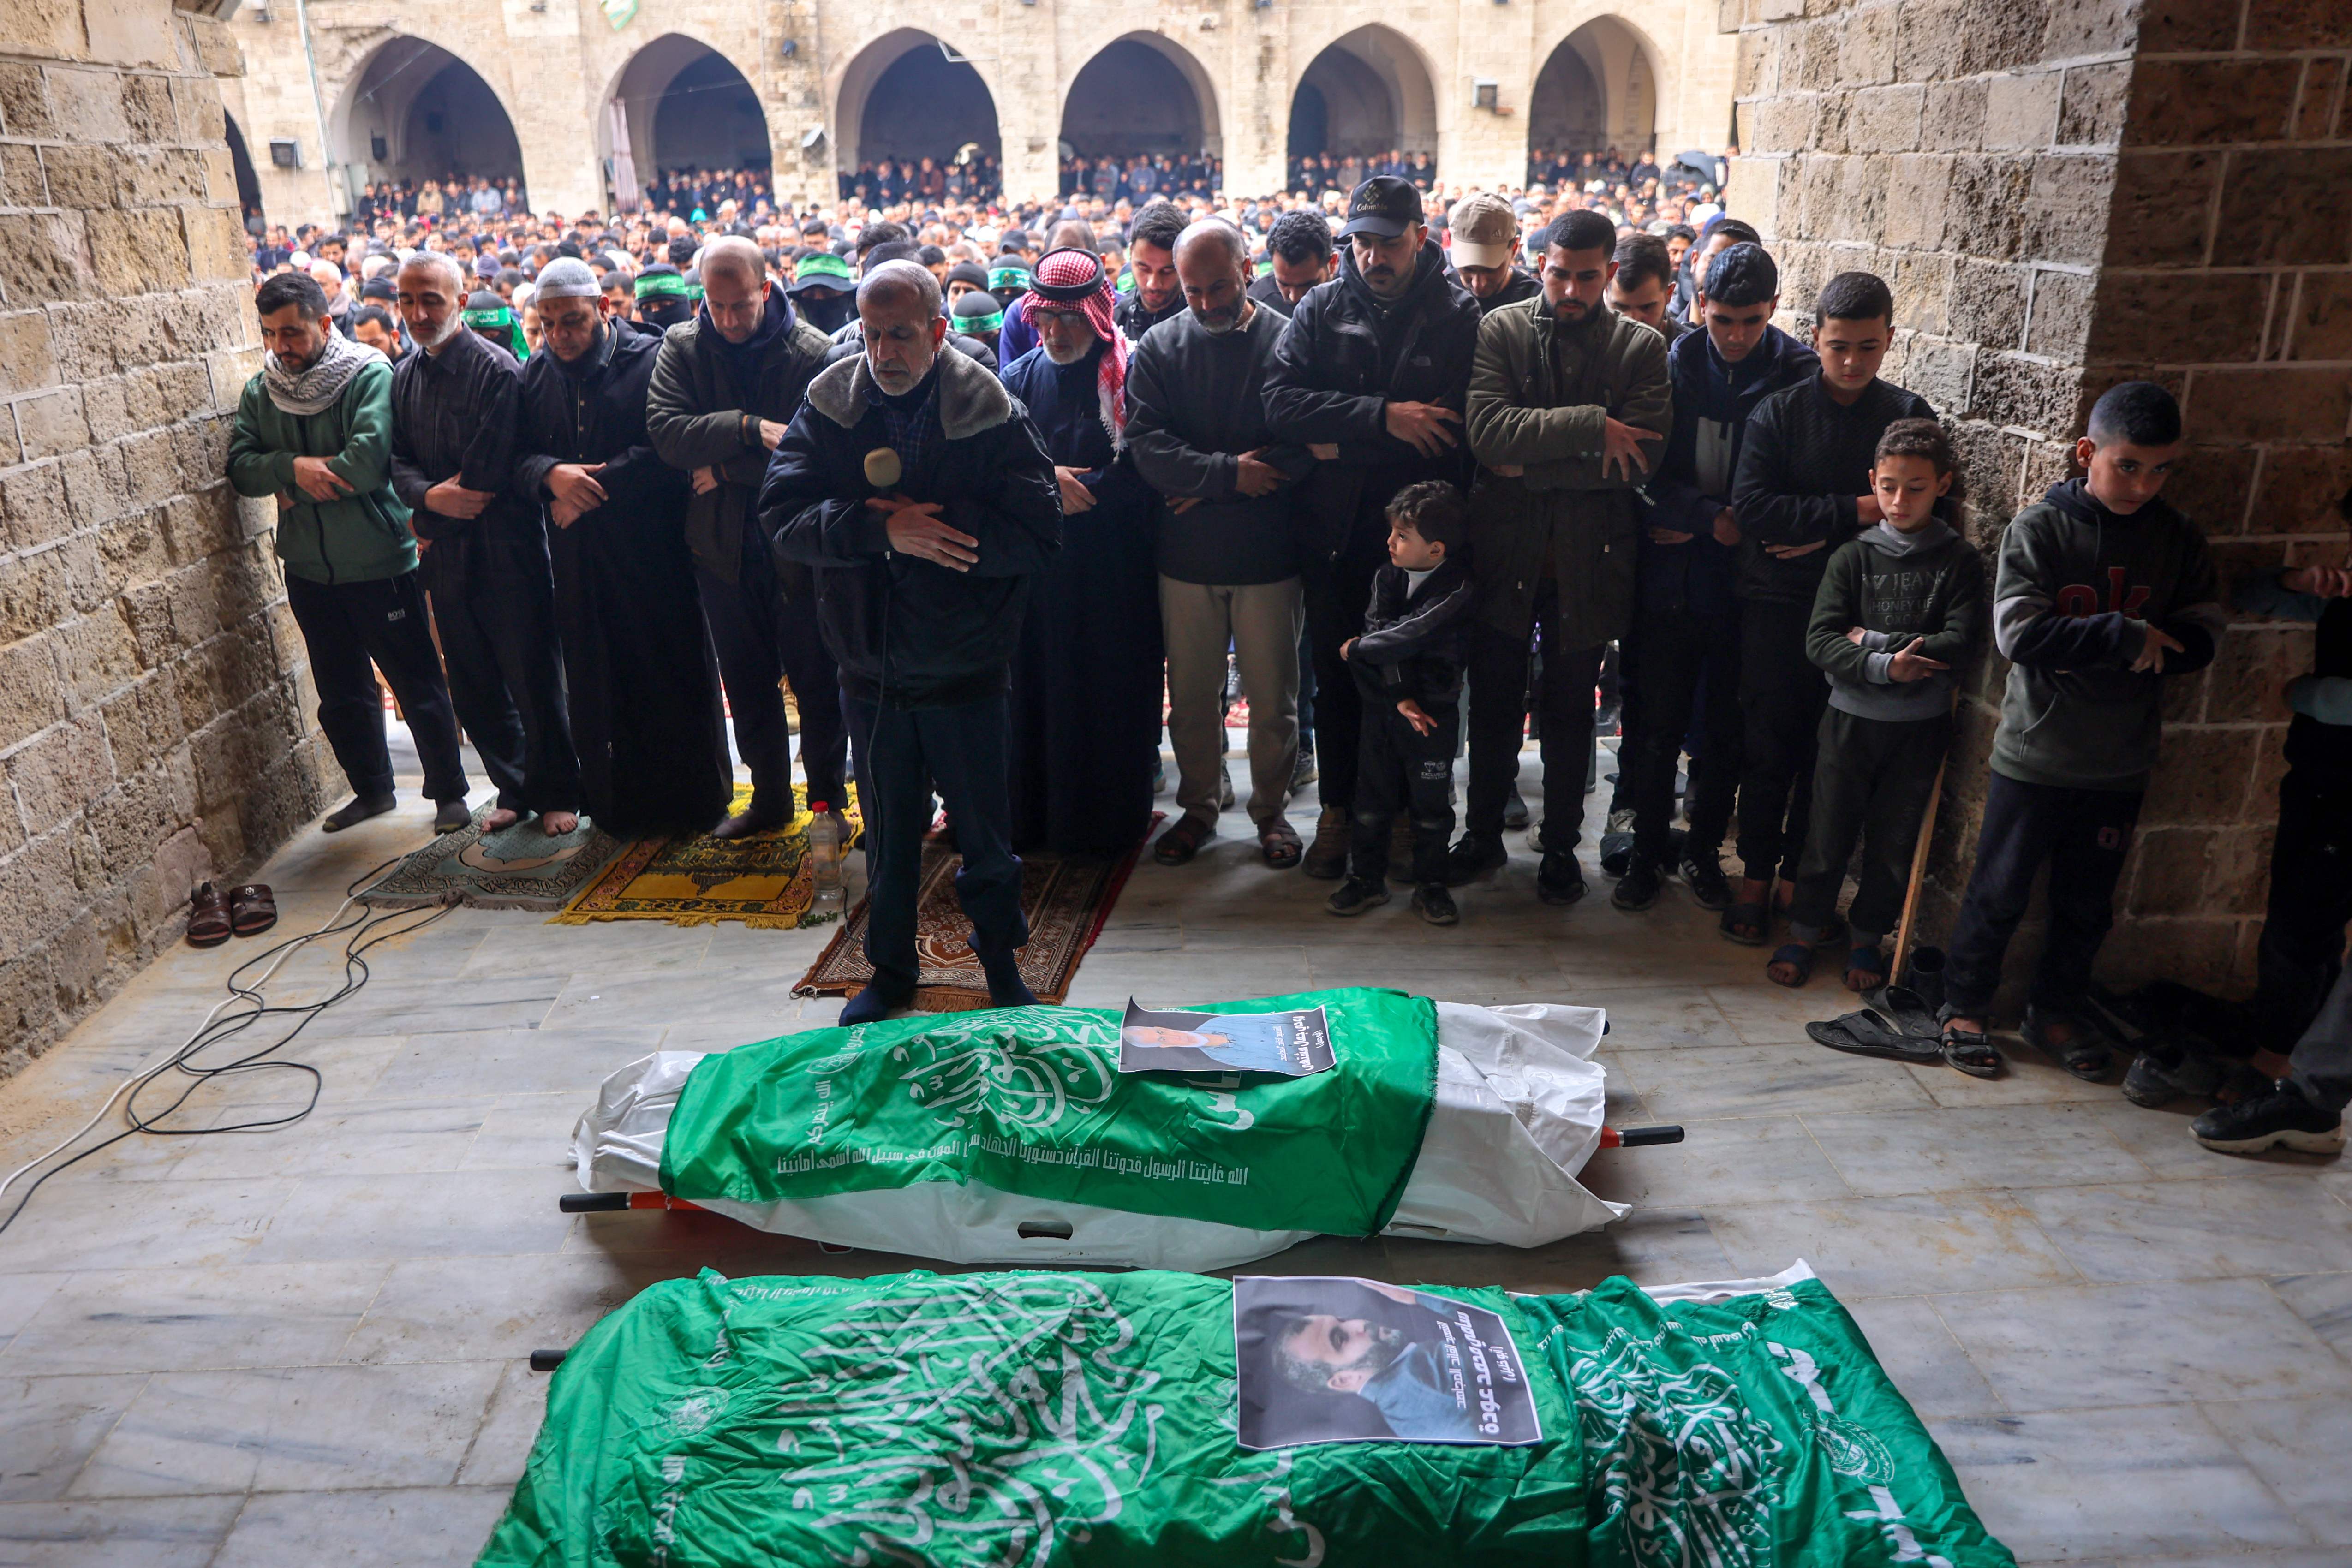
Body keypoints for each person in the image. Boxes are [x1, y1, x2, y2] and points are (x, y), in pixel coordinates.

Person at [759, 261, 1062, 1023]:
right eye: (869, 333)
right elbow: (782, 514)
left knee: (984, 837)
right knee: (889, 836)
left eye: (900, 334)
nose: (884, 351)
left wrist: (945, 533)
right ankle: (889, 972)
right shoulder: (830, 404)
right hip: (871, 664)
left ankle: (1000, 964)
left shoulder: (991, 407)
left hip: (967, 662)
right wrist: (879, 529)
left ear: (938, 329)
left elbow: (1038, 528)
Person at [1937, 382, 2224, 1079]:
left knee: (2086, 904)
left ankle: (2054, 1009)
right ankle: (1963, 1006)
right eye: (2128, 465)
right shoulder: (2041, 529)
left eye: (2160, 469)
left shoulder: (2176, 536)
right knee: (1998, 889)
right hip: (2037, 751)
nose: (2143, 483)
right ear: (2087, 451)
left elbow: (2204, 634)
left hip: (2120, 759)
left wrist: (2153, 642)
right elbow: (2017, 633)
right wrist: (2122, 634)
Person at [1265, 176, 1483, 878]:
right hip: (1339, 531)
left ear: (1421, 237)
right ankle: (1339, 810)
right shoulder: (1322, 308)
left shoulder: (1458, 316)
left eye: (1387, 242)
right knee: (1338, 676)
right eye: (1360, 242)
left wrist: (1339, 437)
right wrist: (1383, 417)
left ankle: (1400, 818)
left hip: (1426, 546)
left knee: (1422, 679)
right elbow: (1280, 405)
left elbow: (1447, 432)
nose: (1372, 256)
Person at [1453, 210, 1671, 906]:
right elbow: (1488, 436)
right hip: (1505, 550)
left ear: (1608, 273)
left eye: (1585, 276)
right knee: (1491, 705)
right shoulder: (1503, 328)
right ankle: (1481, 833)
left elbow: (1639, 459)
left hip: (1588, 557)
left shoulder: (1640, 347)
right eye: (1557, 273)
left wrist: (1532, 460)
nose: (1569, 289)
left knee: (1572, 711)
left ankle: (1559, 848)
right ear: (1538, 263)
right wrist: (1589, 428)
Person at [1725, 270, 1934, 942]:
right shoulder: (1777, 412)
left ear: (1889, 342)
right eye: (1838, 345)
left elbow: (1911, 519)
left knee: (1830, 763)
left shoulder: (1906, 415)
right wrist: (1852, 509)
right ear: (1813, 337)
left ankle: (1801, 885)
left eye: (1867, 348)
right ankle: (1754, 876)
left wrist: (1816, 530)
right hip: (1776, 604)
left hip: (1861, 613)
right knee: (1768, 751)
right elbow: (1754, 508)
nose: (1851, 362)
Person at [226, 272, 473, 835]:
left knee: (415, 683)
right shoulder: (261, 391)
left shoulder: (367, 374)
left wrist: (294, 479)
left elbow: (366, 463)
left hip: (379, 561)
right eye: (269, 334)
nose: (280, 347)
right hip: (310, 569)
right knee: (340, 691)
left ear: (324, 323)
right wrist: (293, 469)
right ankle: (372, 789)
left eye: (291, 332)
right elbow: (240, 468)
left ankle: (449, 793)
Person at [1612, 243, 1816, 915]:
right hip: (1672, 579)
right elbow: (1642, 473)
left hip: (1749, 588)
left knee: (1726, 731)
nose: (1734, 336)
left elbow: (1796, 485)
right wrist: (1706, 517)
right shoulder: (1671, 361)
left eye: (1750, 322)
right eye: (1723, 319)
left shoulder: (1795, 373)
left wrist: (1725, 521)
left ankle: (1701, 850)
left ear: (1773, 311)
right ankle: (1645, 849)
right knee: (1655, 725)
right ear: (1699, 306)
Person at [513, 258, 730, 837]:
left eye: (574, 321)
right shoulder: (537, 374)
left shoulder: (652, 360)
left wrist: (589, 487)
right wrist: (551, 475)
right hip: (580, 559)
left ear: (605, 310)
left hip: (652, 552)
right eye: (549, 323)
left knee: (668, 673)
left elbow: (667, 447)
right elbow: (517, 454)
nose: (561, 335)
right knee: (596, 681)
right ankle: (615, 807)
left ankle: (695, 804)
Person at [645, 237, 848, 839]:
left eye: (740, 306)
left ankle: (827, 803)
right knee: (747, 679)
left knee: (815, 683)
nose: (728, 320)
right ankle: (767, 797)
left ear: (766, 289)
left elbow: (816, 456)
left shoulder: (810, 352)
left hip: (796, 550)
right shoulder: (683, 344)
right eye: (716, 305)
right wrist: (750, 428)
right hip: (721, 548)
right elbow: (667, 435)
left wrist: (726, 467)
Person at [1126, 221, 1313, 869]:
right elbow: (1150, 451)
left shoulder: (1288, 341)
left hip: (1268, 555)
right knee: (1194, 700)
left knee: (1273, 701)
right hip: (1187, 557)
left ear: (1247, 267)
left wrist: (1201, 480)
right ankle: (1199, 806)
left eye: (1218, 288)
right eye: (1192, 290)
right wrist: (1231, 475)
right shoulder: (1159, 347)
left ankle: (1271, 811)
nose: (1205, 303)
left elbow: (1299, 449)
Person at [1770, 419, 1982, 990]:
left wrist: (1870, 639)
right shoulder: (1853, 558)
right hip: (1849, 720)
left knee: (1893, 840)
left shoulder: (1957, 560)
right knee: (1826, 832)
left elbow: (1959, 641)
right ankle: (1806, 928)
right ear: (1872, 481)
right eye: (1887, 486)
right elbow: (1821, 640)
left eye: (1915, 487)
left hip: (1919, 727)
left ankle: (1868, 940)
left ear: (1942, 484)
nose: (1898, 500)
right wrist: (1885, 665)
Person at [388, 253, 582, 836]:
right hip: (449, 562)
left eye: (432, 301)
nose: (420, 314)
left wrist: (424, 520)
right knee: (472, 683)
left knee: (532, 680)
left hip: (508, 553)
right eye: (408, 302)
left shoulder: (498, 371)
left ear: (461, 302)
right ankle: (513, 787)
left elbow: (484, 476)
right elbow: (395, 463)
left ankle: (557, 792)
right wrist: (425, 500)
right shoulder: (404, 375)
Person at [996, 248, 1164, 858]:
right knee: (1037, 696)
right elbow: (996, 472)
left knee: (1108, 699)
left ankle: (1104, 829)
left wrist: (1082, 489)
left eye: (1070, 320)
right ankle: (1034, 820)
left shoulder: (1133, 375)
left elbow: (1147, 467)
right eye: (1047, 319)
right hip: (1039, 580)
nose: (1056, 333)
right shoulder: (1014, 381)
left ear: (1096, 315)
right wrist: (1049, 487)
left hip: (1113, 576)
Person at [2192, 554, 2352, 1151]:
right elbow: (2253, 594)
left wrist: (2303, 692)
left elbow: (2333, 698)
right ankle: (2288, 1054)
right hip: (2316, 773)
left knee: (2301, 924)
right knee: (2300, 921)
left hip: (2342, 786)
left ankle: (2277, 1065)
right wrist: (2294, 581)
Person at [1328, 481, 1475, 925]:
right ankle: (1366, 879)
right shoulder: (1385, 576)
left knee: (1431, 807)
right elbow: (1385, 635)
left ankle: (1432, 884)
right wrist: (1400, 696)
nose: (1389, 542)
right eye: (1392, 532)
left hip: (1435, 714)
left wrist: (1358, 648)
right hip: (1389, 708)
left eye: (1402, 536)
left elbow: (1411, 632)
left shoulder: (1459, 586)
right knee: (1371, 800)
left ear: (1435, 550)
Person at [1445, 193, 1537, 313]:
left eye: (1490, 270)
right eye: (1467, 269)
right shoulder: (1440, 295)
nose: (1478, 284)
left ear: (1514, 248)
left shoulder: (1536, 303)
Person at [1116, 202, 1188, 342]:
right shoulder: (1113, 324)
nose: (1153, 284)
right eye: (1144, 268)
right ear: (1131, 253)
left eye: (1167, 271)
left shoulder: (1204, 326)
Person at [1251, 210, 1335, 319]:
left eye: (1308, 285)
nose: (1294, 297)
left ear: (1332, 264)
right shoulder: (1257, 304)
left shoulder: (1356, 294)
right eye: (1284, 284)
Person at [786, 251, 858, 335]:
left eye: (829, 294)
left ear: (847, 295)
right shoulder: (788, 340)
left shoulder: (863, 336)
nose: (819, 299)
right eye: (810, 295)